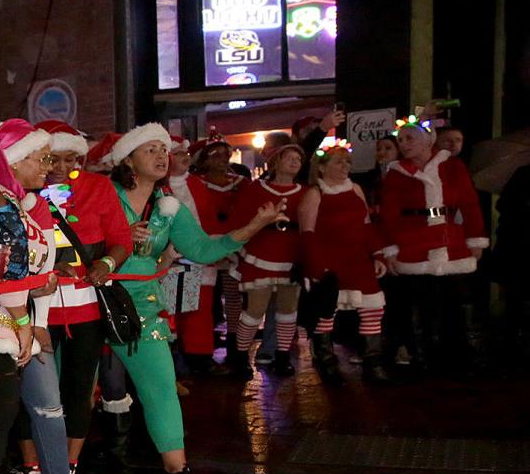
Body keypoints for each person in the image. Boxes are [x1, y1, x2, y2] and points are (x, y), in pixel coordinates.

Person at [0, 118, 131, 474]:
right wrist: (27, 315)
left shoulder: (36, 206)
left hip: (28, 326)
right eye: (40, 158)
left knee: (49, 407)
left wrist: (38, 317)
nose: (48, 167)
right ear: (11, 162)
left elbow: (37, 272)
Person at [105, 126, 280, 474]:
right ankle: (48, 473)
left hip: (140, 308)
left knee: (162, 387)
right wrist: (116, 236)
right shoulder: (105, 195)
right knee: (63, 389)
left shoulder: (168, 207)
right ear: (128, 159)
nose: (160, 156)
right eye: (150, 149)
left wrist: (256, 225)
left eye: (163, 150)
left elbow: (202, 249)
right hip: (88, 303)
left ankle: (176, 472)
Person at [375, 116, 488, 372]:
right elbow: (389, 215)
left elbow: (469, 204)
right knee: (418, 302)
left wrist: (476, 238)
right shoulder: (396, 173)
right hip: (413, 242)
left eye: (409, 138)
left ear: (428, 141)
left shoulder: (453, 166)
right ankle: (421, 357)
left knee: (461, 300)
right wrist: (391, 249)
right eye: (401, 139)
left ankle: (469, 355)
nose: (404, 144)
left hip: (451, 240)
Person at [299, 140, 390, 383]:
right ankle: (326, 361)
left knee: (373, 308)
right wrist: (317, 268)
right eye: (339, 162)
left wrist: (378, 255)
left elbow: (367, 227)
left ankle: (374, 362)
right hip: (330, 262)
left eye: (347, 162)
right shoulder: (314, 194)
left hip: (358, 259)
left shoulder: (356, 189)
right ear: (322, 167)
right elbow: (307, 234)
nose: (345, 166)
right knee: (327, 313)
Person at [167, 135, 247, 373]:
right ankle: (175, 359)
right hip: (174, 258)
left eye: (185, 154)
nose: (184, 158)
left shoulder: (195, 184)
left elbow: (209, 218)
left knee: (199, 310)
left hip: (199, 257)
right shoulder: (160, 186)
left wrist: (217, 247)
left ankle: (199, 357)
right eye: (178, 154)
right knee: (173, 310)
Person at [230, 142, 308, 378]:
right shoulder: (255, 189)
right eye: (289, 158)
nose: (295, 162)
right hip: (261, 251)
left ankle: (283, 356)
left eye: (298, 159)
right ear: (276, 162)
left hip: (291, 253)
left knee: (288, 309)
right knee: (254, 309)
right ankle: (241, 357)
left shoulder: (305, 192)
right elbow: (240, 220)